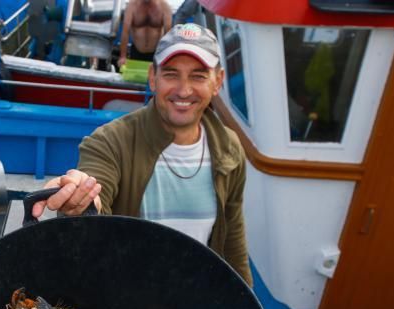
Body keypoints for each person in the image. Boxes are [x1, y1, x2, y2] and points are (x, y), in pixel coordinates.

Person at [32, 23, 252, 286]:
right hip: (125, 303)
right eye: (171, 74)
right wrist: (82, 198)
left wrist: (246, 299)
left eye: (198, 76)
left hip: (197, 301)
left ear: (218, 81)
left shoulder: (230, 148)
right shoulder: (109, 140)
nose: (183, 90)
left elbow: (233, 235)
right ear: (152, 77)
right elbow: (96, 189)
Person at [118, 0, 172, 68]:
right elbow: (125, 32)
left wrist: (167, 56)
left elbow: (168, 34)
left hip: (156, 53)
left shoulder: (164, 6)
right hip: (137, 52)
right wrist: (123, 56)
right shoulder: (132, 6)